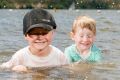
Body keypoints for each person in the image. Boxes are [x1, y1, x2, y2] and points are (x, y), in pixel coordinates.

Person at [0, 9, 68, 72]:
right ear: (25, 35)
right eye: (34, 33)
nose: (40, 37)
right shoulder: (20, 57)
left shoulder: (59, 56)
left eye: (44, 32)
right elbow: (3, 68)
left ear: (52, 33)